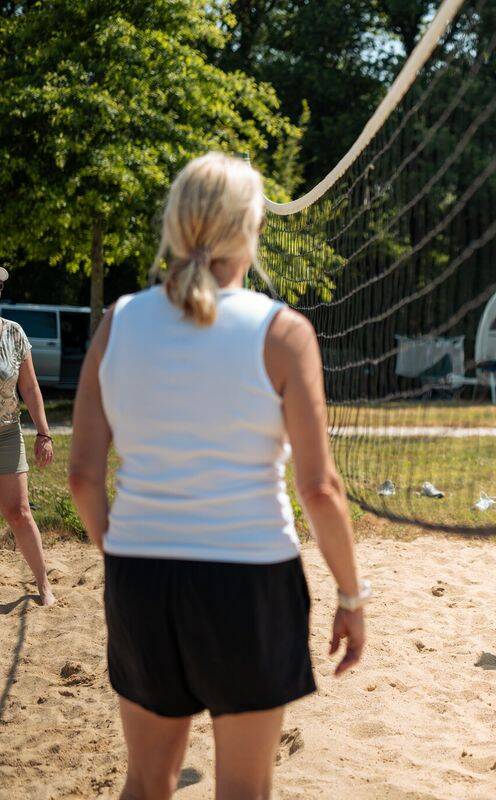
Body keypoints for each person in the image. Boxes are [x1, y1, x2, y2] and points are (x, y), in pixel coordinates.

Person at [68, 152, 369, 799]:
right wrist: (351, 597)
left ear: (174, 225)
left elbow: (82, 479)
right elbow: (320, 490)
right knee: (243, 788)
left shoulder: (116, 323)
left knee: (147, 783)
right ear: (250, 229)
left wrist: (122, 554)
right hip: (249, 579)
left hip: (141, 577)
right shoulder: (282, 331)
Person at [0, 267, 57, 606]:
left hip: (8, 432)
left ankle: (43, 584)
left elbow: (30, 387)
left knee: (19, 511)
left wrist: (44, 433)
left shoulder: (14, 334)